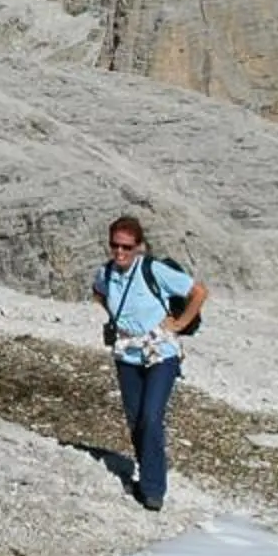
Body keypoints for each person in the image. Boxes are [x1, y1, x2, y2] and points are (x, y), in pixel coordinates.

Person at [94, 214, 205, 512]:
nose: (120, 252)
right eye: (115, 245)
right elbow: (98, 292)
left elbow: (198, 292)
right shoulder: (106, 273)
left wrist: (179, 324)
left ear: (139, 247)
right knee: (136, 419)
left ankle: (154, 488)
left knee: (151, 416)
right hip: (127, 353)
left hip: (160, 352)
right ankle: (146, 475)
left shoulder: (153, 270)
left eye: (127, 247)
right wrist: (117, 320)